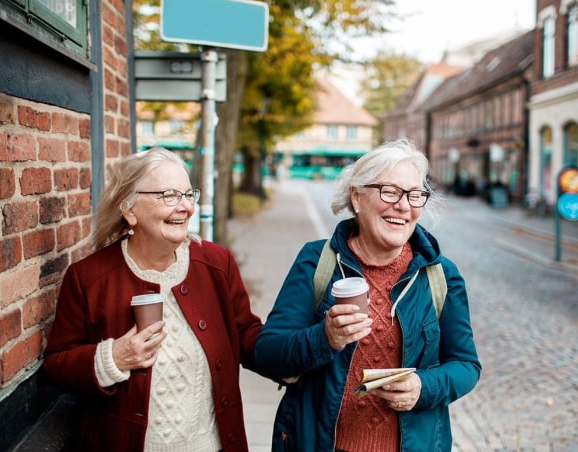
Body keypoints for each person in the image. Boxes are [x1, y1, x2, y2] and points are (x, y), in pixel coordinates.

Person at [255, 139, 481, 452]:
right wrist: (325, 338)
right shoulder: (317, 261)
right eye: (389, 191)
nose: (403, 205)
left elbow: (466, 365)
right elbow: (267, 354)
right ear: (357, 196)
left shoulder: (441, 275)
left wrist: (423, 387)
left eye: (414, 195)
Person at [42, 147, 264, 451]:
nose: (185, 207)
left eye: (188, 195)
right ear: (130, 210)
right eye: (169, 195)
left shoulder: (216, 264)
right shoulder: (89, 278)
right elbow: (56, 365)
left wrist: (308, 346)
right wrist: (114, 358)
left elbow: (247, 336)